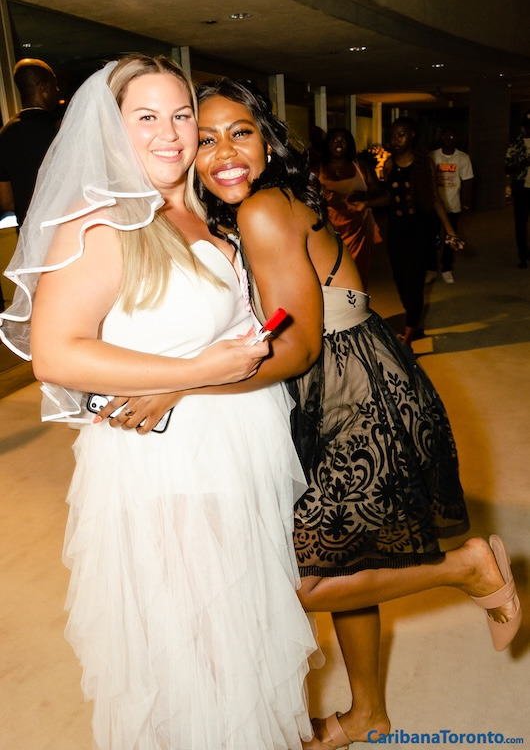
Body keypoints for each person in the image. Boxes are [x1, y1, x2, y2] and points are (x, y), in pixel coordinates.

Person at [99, 78, 521, 750]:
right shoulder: (260, 206)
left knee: (292, 583)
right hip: (353, 379)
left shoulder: (263, 210)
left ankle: (465, 568)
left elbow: (296, 349)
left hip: (350, 396)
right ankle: (368, 713)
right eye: (205, 139)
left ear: (267, 142)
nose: (224, 152)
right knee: (349, 556)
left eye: (240, 132)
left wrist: (179, 386)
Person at [0, 55, 318, 750]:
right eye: (146, 117)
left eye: (180, 115)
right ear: (110, 127)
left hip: (234, 449)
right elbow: (55, 353)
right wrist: (196, 369)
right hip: (171, 464)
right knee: (198, 653)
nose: (170, 134)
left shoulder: (202, 211)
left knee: (243, 640)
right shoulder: (101, 224)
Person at [382, 117, 462, 346]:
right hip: (396, 231)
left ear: (412, 135)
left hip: (419, 231)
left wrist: (450, 231)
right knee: (400, 280)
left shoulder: (423, 164)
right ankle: (415, 323)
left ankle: (409, 334)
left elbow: (435, 199)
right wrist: (364, 203)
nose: (396, 140)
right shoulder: (389, 164)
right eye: (393, 135)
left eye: (401, 134)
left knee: (414, 282)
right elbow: (389, 197)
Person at [318, 128, 383, 290]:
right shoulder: (317, 167)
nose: (339, 144)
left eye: (343, 140)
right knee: (330, 273)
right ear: (327, 144)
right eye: (334, 140)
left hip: (359, 229)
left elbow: (378, 191)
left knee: (358, 271)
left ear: (350, 144)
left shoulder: (361, 165)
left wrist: (362, 197)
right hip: (329, 230)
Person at [0, 58, 60, 228]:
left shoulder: (5, 135)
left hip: (29, 233)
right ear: (43, 87)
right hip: (62, 228)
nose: (58, 90)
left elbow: (6, 202)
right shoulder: (61, 128)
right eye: (54, 84)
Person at [428, 127, 474, 284]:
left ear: (457, 139)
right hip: (434, 205)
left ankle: (446, 268)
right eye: (446, 137)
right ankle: (431, 268)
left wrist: (466, 204)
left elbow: (467, 181)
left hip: (452, 206)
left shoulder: (463, 158)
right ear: (441, 138)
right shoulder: (432, 156)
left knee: (450, 239)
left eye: (452, 137)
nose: (448, 140)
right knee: (432, 238)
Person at [505, 110, 530, 269]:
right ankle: (523, 255)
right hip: (521, 187)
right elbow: (507, 168)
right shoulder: (515, 144)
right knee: (521, 223)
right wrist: (524, 163)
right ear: (523, 127)